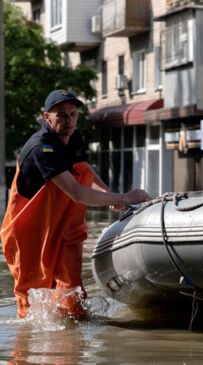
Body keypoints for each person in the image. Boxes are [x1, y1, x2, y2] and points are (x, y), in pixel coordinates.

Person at [1, 89, 150, 319]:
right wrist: (124, 197)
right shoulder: (42, 148)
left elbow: (85, 170)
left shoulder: (75, 136)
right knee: (31, 301)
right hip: (29, 233)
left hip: (64, 227)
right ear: (46, 117)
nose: (68, 119)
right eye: (61, 114)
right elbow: (77, 193)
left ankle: (72, 344)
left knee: (73, 296)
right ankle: (26, 351)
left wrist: (110, 196)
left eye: (72, 113)